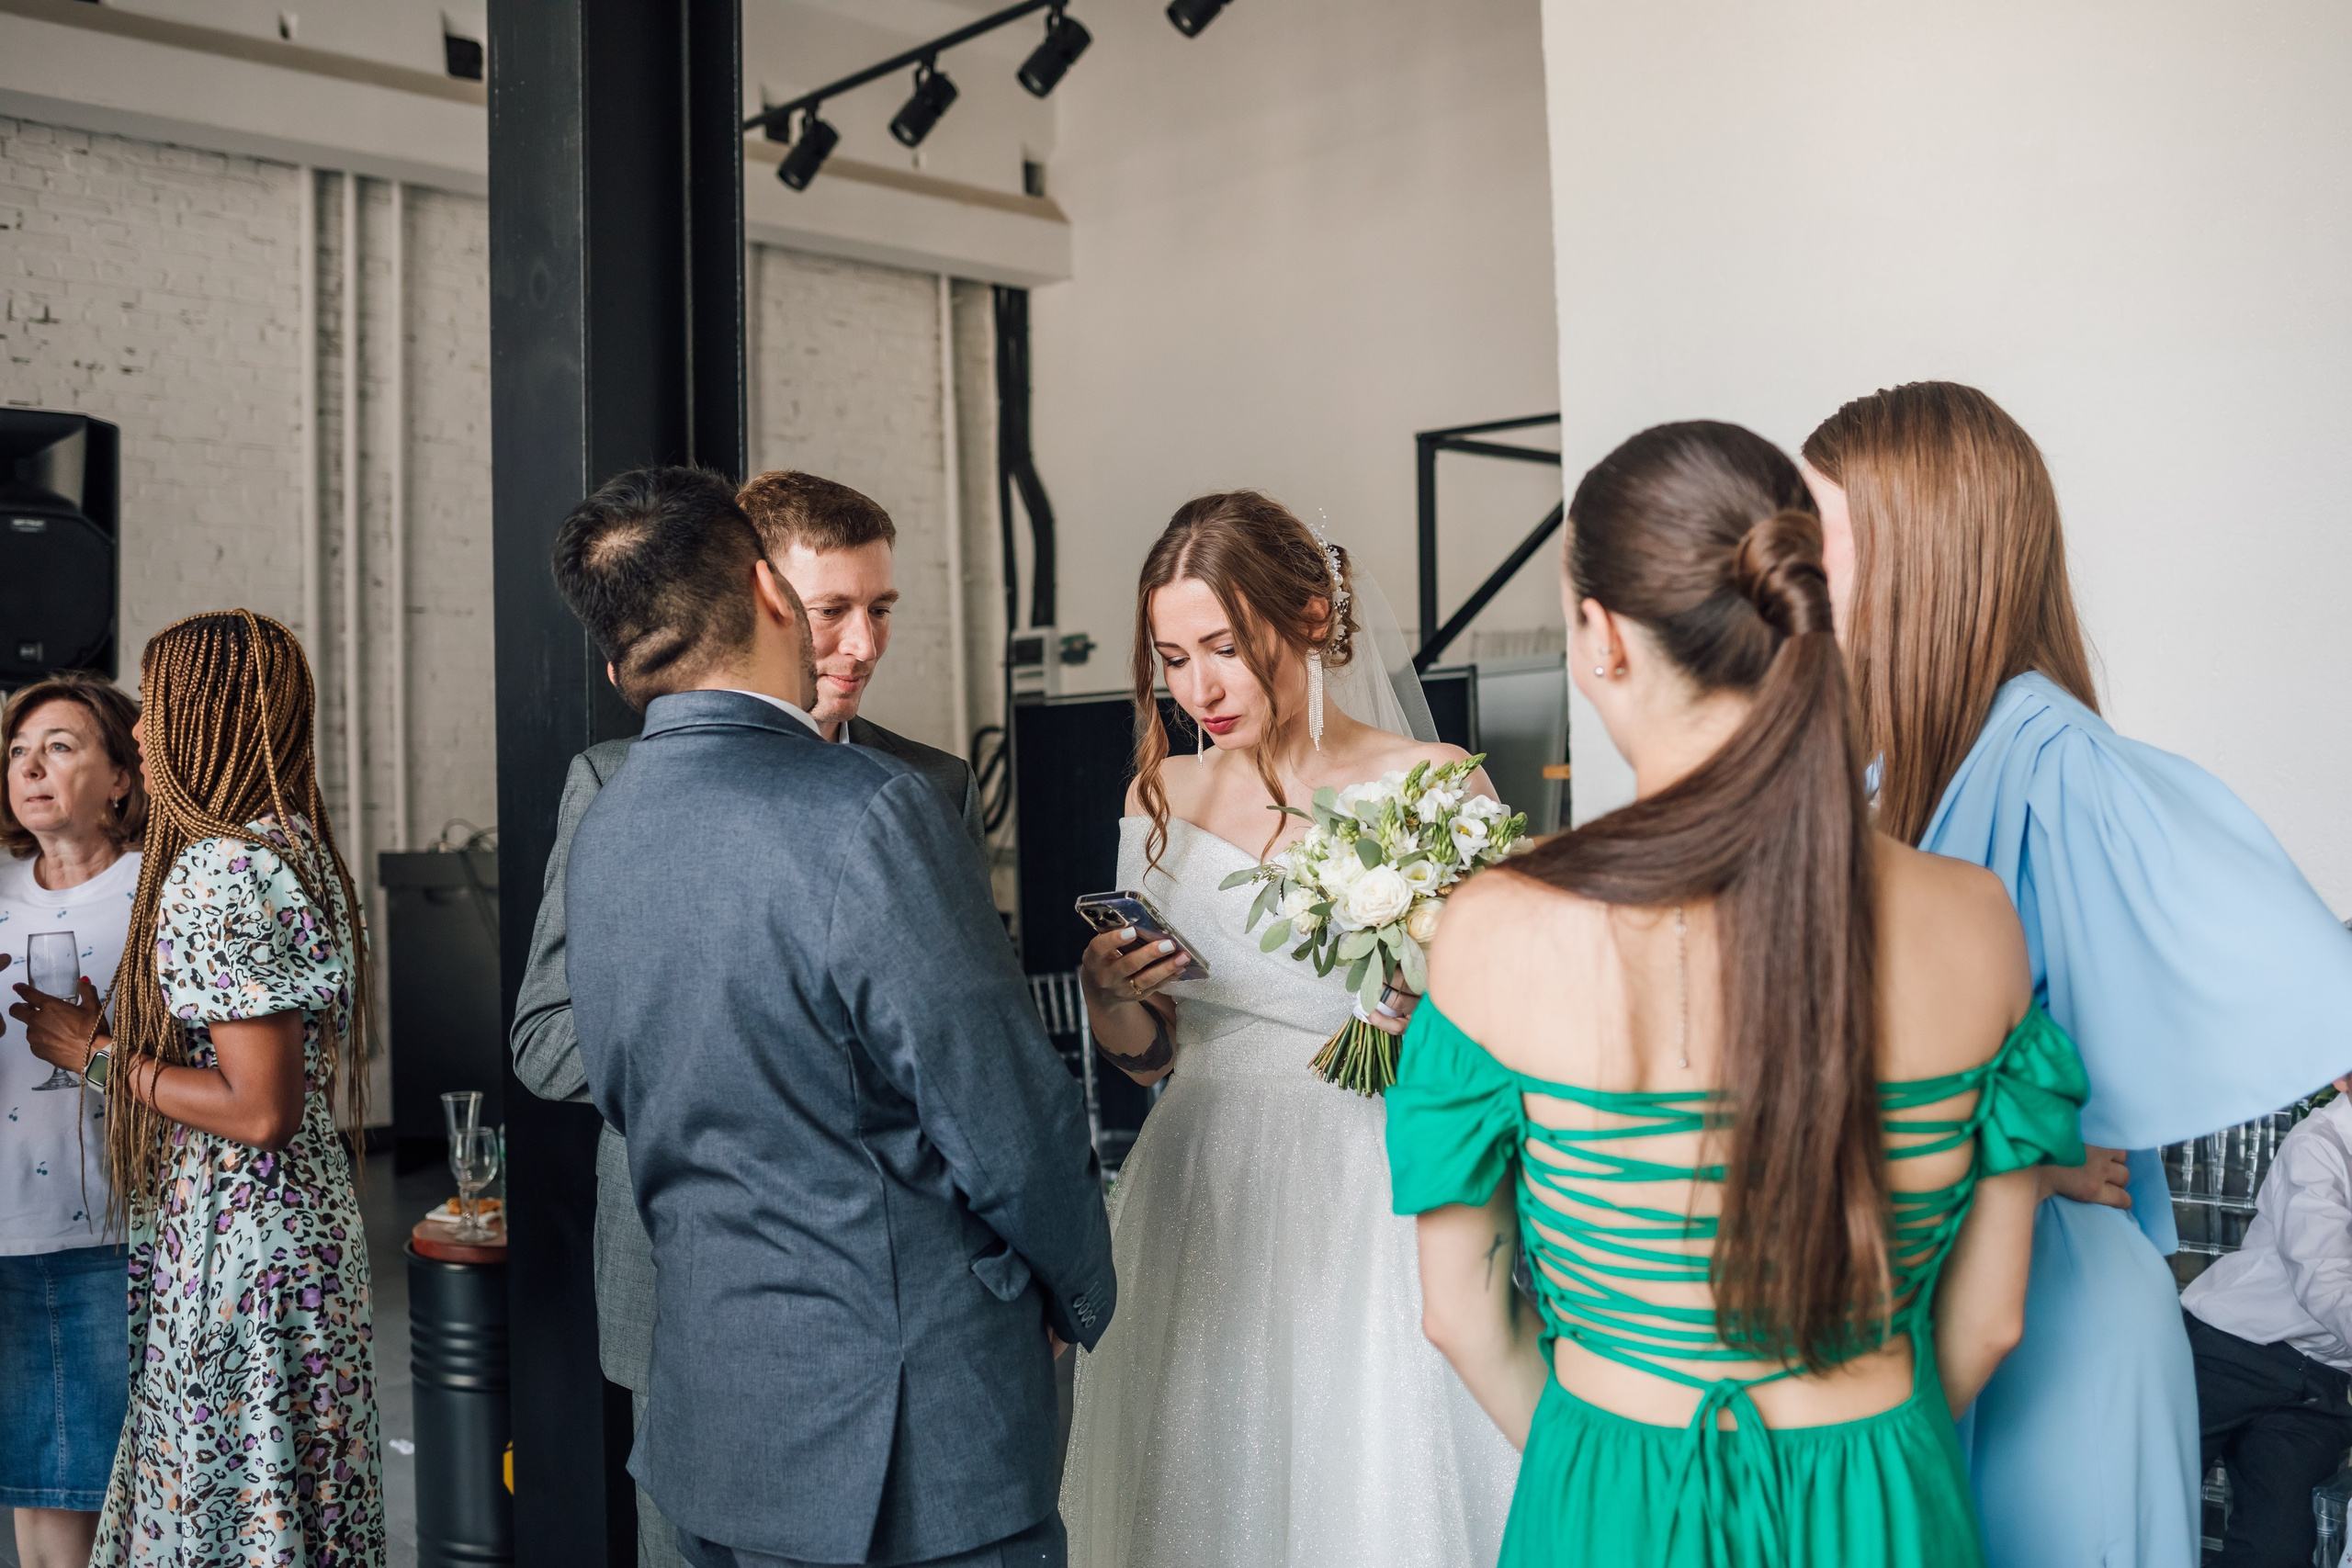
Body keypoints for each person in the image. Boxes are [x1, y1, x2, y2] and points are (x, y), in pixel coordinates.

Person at [1389, 421, 2085, 1566]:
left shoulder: (1493, 930)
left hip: (1614, 1494)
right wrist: (1869, 1463)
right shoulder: (1975, 918)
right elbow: (1990, 1321)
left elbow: (1459, 1315)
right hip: (1883, 1490)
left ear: (1603, 638)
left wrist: (1601, 1469)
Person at [1801, 382, 2352, 1568]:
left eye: (1819, 534)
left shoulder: (2053, 758)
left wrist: (2043, 1151)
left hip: (2055, 1325)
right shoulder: (1886, 771)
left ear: (1918, 552)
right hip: (1951, 1298)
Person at [551, 467, 1113, 1568]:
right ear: (766, 590)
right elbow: (1000, 1110)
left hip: (712, 1403)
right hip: (901, 1420)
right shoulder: (868, 809)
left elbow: (633, 1083)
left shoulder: (615, 818)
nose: (860, 640)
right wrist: (1074, 1285)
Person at [1059, 491, 1521, 1568]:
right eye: (1173, 659)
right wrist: (1110, 995)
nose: (1199, 689)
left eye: (1224, 648)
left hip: (1369, 1172)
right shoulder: (1160, 791)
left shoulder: (1433, 783)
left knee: (1363, 1462)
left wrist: (1426, 1019)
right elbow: (1153, 1056)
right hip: (1199, 1176)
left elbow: (1512, 1018)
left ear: (1311, 617)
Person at [13, 612, 383, 1565]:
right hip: (305, 1228)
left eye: (156, 706)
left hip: (240, 1241)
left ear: (206, 719)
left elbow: (260, 1109)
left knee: (230, 1516)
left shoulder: (222, 866)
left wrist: (97, 1053)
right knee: (292, 1504)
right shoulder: (296, 844)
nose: (141, 729)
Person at [0, 673, 142, 1568]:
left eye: (59, 746)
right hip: (8, 1228)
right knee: (39, 1497)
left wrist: (98, 1050)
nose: (30, 767)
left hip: (116, 1231)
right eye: (18, 751)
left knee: (121, 1500)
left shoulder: (158, 891)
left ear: (122, 775)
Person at [2180, 1077, 2352, 1568]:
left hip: (2320, 1386)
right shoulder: (2318, 1143)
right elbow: (2324, 1276)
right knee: (2149, 1501)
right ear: (2341, 1077)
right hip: (2230, 1353)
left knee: (2276, 1549)